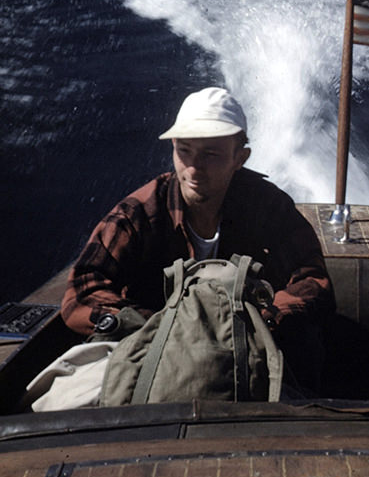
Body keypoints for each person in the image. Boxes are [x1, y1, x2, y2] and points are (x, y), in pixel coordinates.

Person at [61, 87, 334, 395]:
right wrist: (151, 327)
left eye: (211, 154)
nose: (193, 167)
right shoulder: (139, 213)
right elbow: (83, 289)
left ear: (240, 158)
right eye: (184, 151)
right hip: (155, 362)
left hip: (252, 359)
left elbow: (312, 281)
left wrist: (260, 324)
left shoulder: (269, 208)